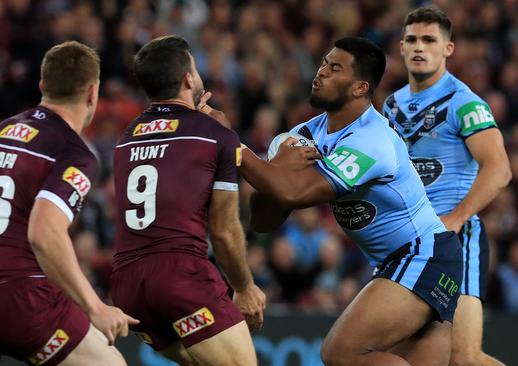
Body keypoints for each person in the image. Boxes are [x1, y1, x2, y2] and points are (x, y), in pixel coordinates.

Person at [233, 36, 463, 366]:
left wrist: (233, 147)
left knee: (340, 352)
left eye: (335, 67)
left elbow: (294, 193)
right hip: (403, 263)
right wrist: (276, 175)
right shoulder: (305, 135)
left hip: (423, 256)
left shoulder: (373, 139)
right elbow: (264, 220)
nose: (321, 71)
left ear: (359, 88)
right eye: (324, 62)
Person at [109, 35, 265, 366]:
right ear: (188, 78)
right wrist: (245, 287)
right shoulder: (213, 134)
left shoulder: (126, 137)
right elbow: (222, 230)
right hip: (181, 276)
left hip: (128, 286)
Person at [383, 8, 511, 366]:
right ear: (401, 47)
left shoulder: (464, 102)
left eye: (429, 40)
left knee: (464, 358)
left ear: (448, 49)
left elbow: (499, 170)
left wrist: (455, 218)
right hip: (408, 243)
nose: (419, 47)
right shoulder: (391, 106)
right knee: (403, 352)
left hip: (456, 238)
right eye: (412, 40)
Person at [0, 41, 136, 366]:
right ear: (93, 93)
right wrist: (95, 306)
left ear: (42, 86)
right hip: (20, 295)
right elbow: (44, 234)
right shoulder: (74, 152)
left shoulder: (4, 129)